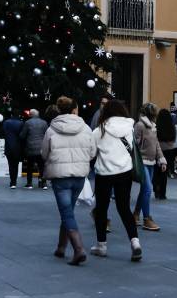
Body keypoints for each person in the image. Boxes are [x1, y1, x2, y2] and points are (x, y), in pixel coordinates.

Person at [41, 96, 96, 265]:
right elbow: (93, 152)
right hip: (79, 175)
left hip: (60, 176)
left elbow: (44, 153)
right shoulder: (85, 128)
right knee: (68, 211)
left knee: (66, 212)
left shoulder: (51, 129)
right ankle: (61, 247)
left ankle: (78, 249)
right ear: (74, 109)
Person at [90, 100, 143, 262]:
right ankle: (135, 242)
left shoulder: (99, 131)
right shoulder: (129, 128)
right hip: (125, 172)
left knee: (102, 209)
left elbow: (91, 153)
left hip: (104, 173)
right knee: (124, 208)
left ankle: (101, 245)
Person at [133, 103, 163, 231]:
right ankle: (147, 219)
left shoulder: (153, 126)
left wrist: (161, 159)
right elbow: (135, 143)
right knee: (148, 189)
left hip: (151, 162)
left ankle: (135, 214)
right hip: (142, 162)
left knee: (144, 190)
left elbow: (156, 144)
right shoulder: (140, 125)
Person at [20, 108, 49, 188]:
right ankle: (43, 183)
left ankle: (29, 183)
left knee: (30, 166)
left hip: (30, 148)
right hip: (41, 148)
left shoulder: (27, 123)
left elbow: (22, 135)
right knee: (42, 166)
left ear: (31, 115)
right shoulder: (44, 122)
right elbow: (47, 134)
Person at [154, 107, 177, 199]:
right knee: (164, 173)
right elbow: (174, 139)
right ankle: (163, 194)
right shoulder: (172, 127)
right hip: (169, 151)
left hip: (158, 150)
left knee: (156, 171)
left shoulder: (156, 127)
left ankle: (156, 189)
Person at [3, 111, 25, 189]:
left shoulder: (6, 122)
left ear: (12, 115)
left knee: (10, 165)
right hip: (17, 147)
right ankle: (14, 182)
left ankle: (12, 182)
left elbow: (3, 133)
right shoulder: (21, 123)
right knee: (16, 165)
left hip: (8, 146)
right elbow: (22, 136)